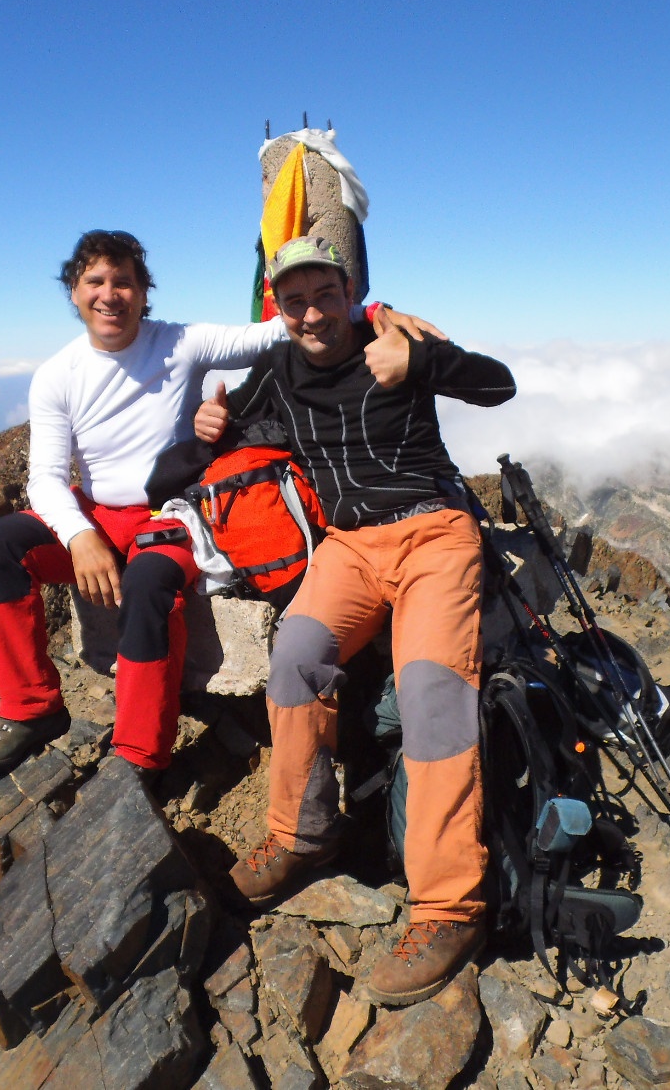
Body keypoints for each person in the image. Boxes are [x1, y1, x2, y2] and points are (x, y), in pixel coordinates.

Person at [0, 230, 438, 781]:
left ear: (144, 292)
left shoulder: (179, 342)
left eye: (124, 282)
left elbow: (276, 329)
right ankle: (31, 709)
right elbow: (44, 478)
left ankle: (139, 754)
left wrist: (372, 310)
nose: (109, 294)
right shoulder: (57, 375)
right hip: (92, 513)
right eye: (95, 281)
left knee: (150, 581)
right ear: (74, 291)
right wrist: (79, 537)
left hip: (172, 513)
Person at [198, 235, 516, 1006]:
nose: (312, 311)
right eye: (295, 298)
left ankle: (449, 906)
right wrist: (211, 419)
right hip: (349, 544)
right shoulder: (276, 365)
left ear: (350, 291)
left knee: (431, 687)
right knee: (296, 656)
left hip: (434, 529)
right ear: (278, 304)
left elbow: (498, 385)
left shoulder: (395, 339)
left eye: (325, 293)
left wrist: (423, 364)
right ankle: (303, 836)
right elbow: (222, 428)